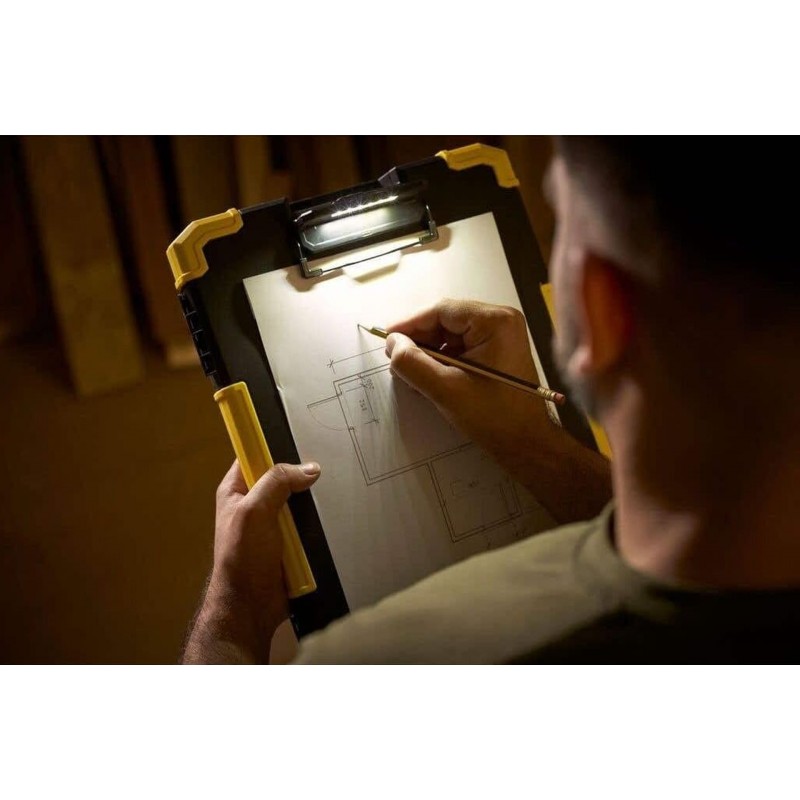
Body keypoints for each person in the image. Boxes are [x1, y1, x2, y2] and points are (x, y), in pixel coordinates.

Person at [182, 137, 800, 663]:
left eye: (559, 225)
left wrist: (233, 617)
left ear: (602, 305)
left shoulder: (378, 659)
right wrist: (533, 443)